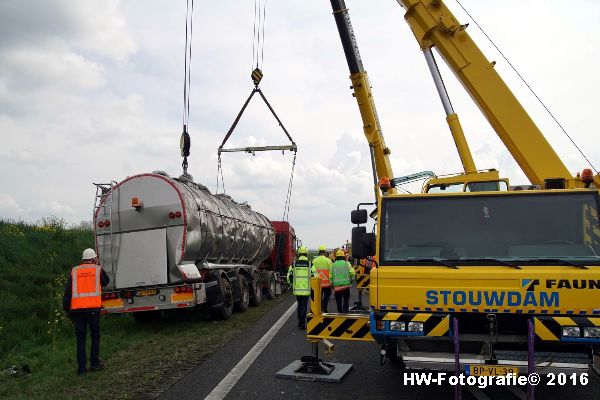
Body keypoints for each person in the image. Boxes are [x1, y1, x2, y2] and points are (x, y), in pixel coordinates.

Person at [63, 248, 110, 375]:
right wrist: (98, 267)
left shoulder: (74, 270)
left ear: (83, 260)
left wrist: (67, 309)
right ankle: (94, 364)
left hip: (77, 310)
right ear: (94, 258)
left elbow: (68, 292)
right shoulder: (97, 269)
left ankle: (82, 369)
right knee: (95, 336)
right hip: (93, 309)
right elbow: (106, 282)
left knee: (80, 339)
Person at [287, 246, 311, 329]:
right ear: (306, 254)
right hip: (306, 290)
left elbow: (289, 277)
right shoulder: (310, 264)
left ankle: (300, 322)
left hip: (297, 290)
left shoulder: (293, 264)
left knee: (299, 305)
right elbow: (315, 276)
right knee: (304, 306)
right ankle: (302, 324)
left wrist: (292, 284)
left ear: (299, 254)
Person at [330, 249, 356, 313]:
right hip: (346, 286)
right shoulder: (347, 263)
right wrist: (352, 279)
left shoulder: (333, 264)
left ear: (336, 256)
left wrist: (331, 283)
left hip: (337, 287)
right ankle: (345, 310)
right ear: (343, 256)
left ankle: (340, 312)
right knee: (346, 299)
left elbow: (330, 275)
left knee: (338, 301)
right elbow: (352, 272)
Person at [312, 245, 333, 312]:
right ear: (324, 252)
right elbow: (331, 272)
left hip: (318, 282)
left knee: (319, 296)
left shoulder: (314, 261)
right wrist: (331, 281)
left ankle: (319, 308)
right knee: (327, 295)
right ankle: (324, 306)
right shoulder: (328, 261)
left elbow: (312, 271)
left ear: (319, 252)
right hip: (326, 282)